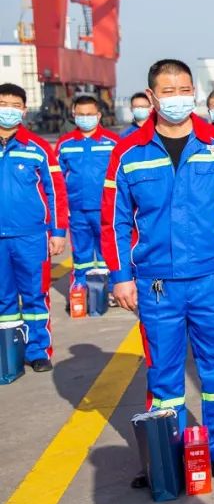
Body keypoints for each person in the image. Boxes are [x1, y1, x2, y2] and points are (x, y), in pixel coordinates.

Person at [102, 59, 214, 483]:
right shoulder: (128, 152)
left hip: (212, 279)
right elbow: (115, 220)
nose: (178, 98)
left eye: (185, 90)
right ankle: (169, 452)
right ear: (151, 97)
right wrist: (121, 277)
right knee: (163, 373)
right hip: (157, 284)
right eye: (168, 91)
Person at [0, 83, 68, 372]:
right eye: (3, 104)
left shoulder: (37, 148)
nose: (8, 110)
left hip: (31, 238)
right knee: (2, 299)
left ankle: (37, 350)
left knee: (35, 295)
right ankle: (7, 352)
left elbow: (56, 192)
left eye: (15, 105)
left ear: (24, 110)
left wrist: (58, 232)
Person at [56, 96, 119, 292]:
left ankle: (108, 290)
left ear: (98, 115)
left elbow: (121, 175)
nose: (85, 118)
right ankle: (81, 287)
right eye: (81, 114)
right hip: (77, 209)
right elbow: (56, 179)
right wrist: (62, 207)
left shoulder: (112, 142)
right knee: (81, 252)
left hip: (106, 208)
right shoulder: (65, 143)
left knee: (106, 249)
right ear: (73, 115)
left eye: (90, 114)